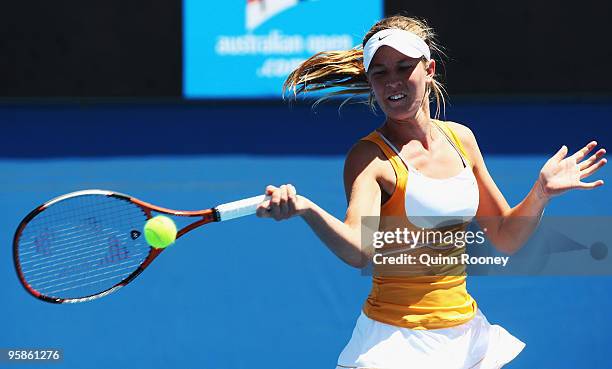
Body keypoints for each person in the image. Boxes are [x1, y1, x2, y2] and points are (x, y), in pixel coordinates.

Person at [256, 15, 607, 369]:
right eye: (379, 72)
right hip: (394, 344)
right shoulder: (370, 157)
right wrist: (306, 209)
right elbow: (359, 250)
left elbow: (504, 236)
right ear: (370, 82)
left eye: (404, 67)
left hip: (466, 338)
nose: (393, 80)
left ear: (429, 70)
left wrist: (540, 193)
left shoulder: (461, 139)